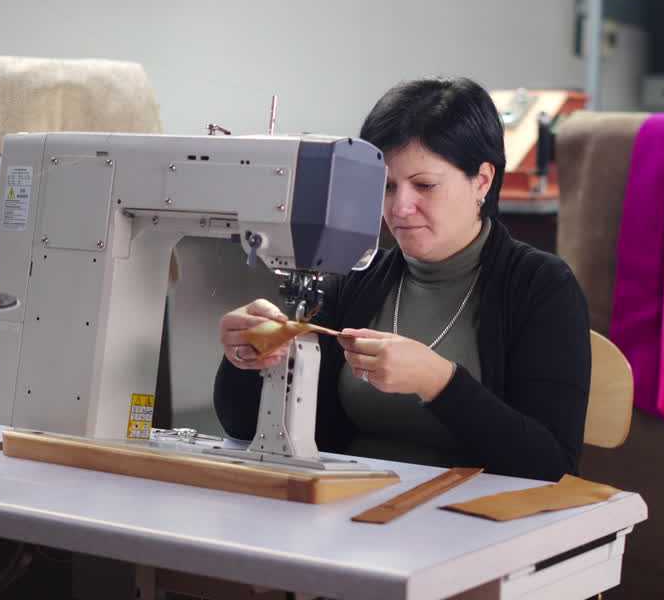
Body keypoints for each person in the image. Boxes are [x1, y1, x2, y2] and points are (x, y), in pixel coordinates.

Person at [214, 76, 590, 482]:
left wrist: (440, 384)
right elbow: (243, 427)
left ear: (482, 179)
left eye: (424, 185)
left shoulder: (541, 287)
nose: (400, 207)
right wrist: (249, 357)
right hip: (353, 509)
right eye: (387, 186)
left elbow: (550, 464)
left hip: (471, 522)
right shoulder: (359, 275)